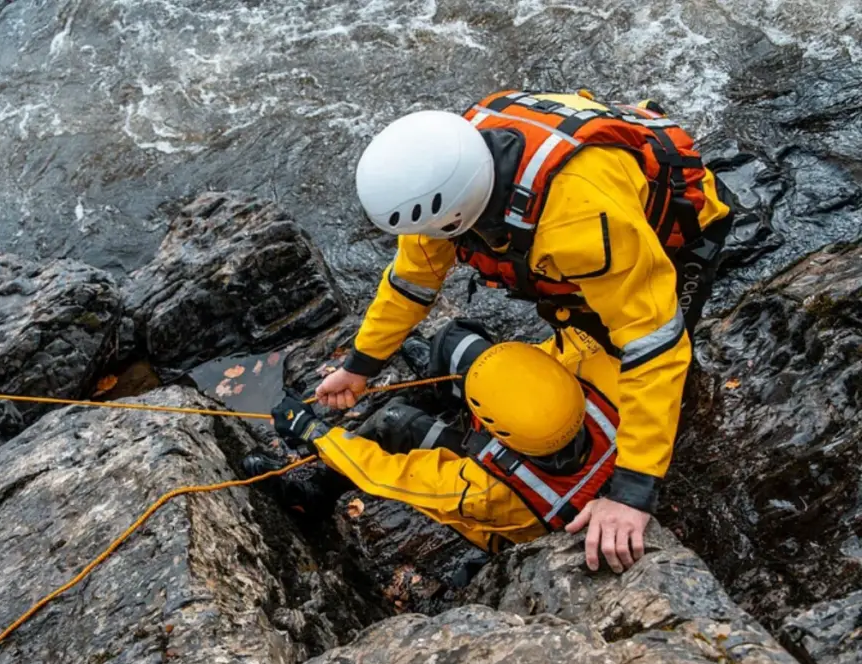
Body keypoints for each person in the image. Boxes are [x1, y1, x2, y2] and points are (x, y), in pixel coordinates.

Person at [314, 90, 735, 572]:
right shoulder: (448, 171)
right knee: (586, 343)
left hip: (676, 227)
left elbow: (653, 340)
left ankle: (636, 432)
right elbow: (412, 281)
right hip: (589, 223)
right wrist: (361, 365)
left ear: (458, 215)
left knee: (641, 356)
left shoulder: (577, 219)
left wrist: (631, 491)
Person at [269, 320, 628, 569]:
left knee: (394, 423)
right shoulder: (608, 379)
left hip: (505, 498)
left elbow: (389, 475)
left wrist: (313, 432)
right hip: (528, 441)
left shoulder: (481, 492)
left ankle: (317, 493)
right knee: (455, 341)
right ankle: (441, 387)